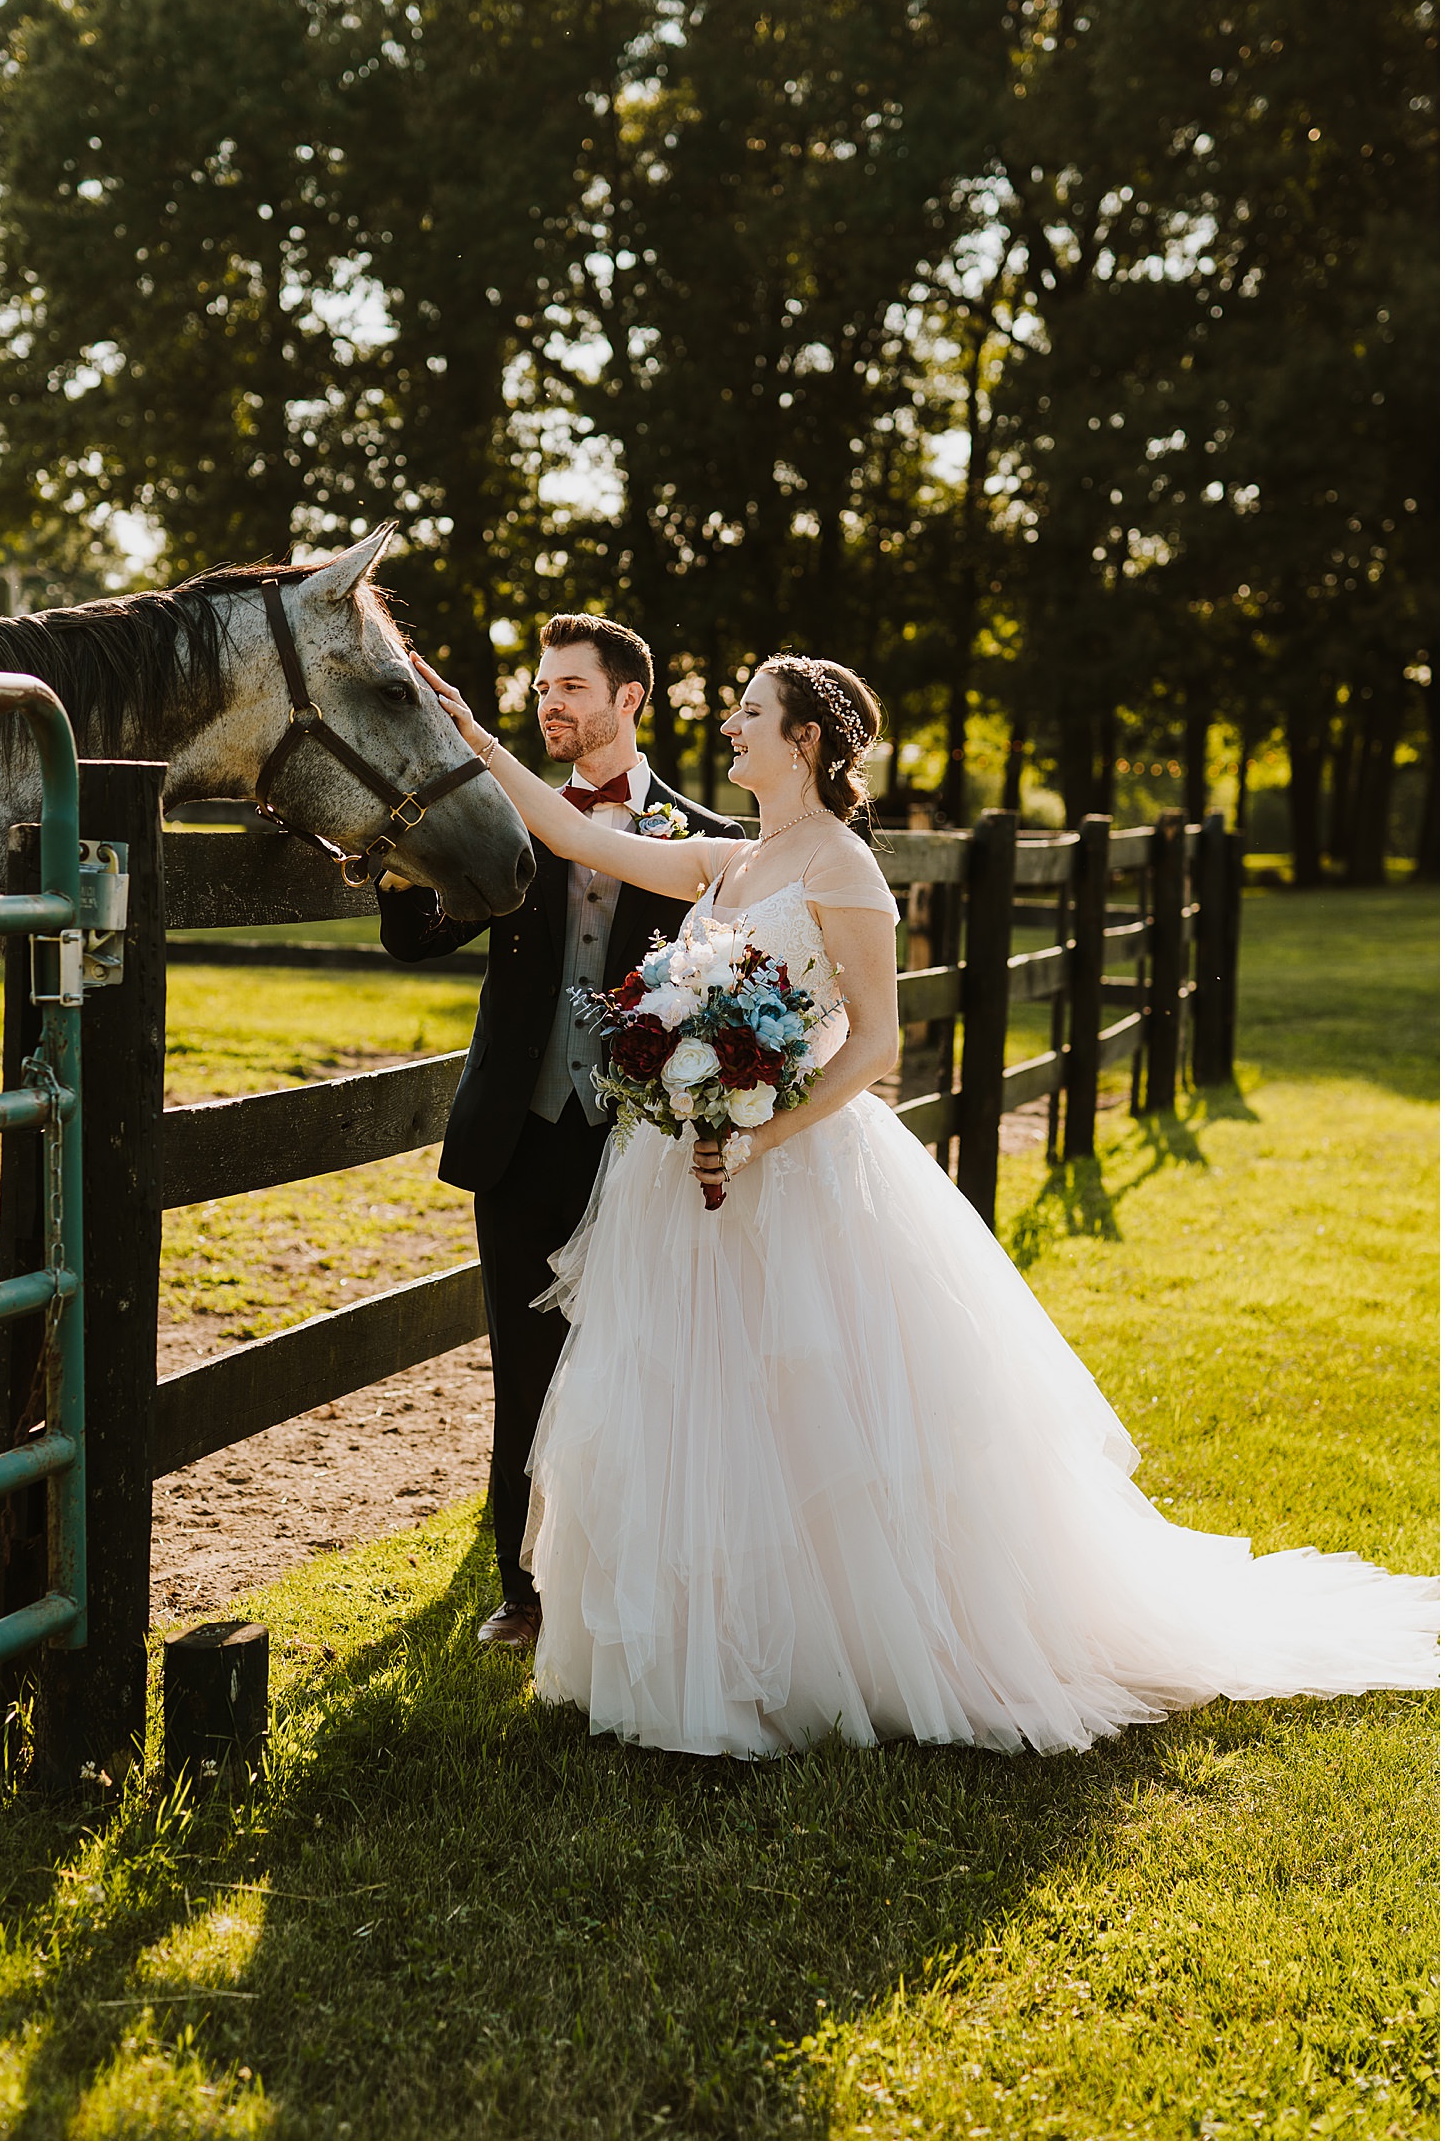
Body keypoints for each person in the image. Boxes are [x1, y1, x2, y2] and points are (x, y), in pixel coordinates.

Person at [411, 644, 1439, 1757]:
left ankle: (844, 1641)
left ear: (802, 740)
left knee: (812, 1408)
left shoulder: (842, 867)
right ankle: (711, 1634)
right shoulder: (729, 860)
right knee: (697, 1400)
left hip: (794, 1168)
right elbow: (569, 836)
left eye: (750, 714)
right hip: (693, 1175)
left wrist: (758, 1136)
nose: (731, 728)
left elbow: (873, 1049)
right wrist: (471, 736)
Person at [378, 614, 741, 1650]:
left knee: (643, 1362)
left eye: (573, 687)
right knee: (523, 1363)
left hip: (642, 1149)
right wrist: (398, 852)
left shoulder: (695, 835)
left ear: (630, 700)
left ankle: (634, 1575)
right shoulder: (510, 821)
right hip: (523, 1135)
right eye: (544, 686)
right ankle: (523, 1590)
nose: (551, 703)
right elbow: (415, 938)